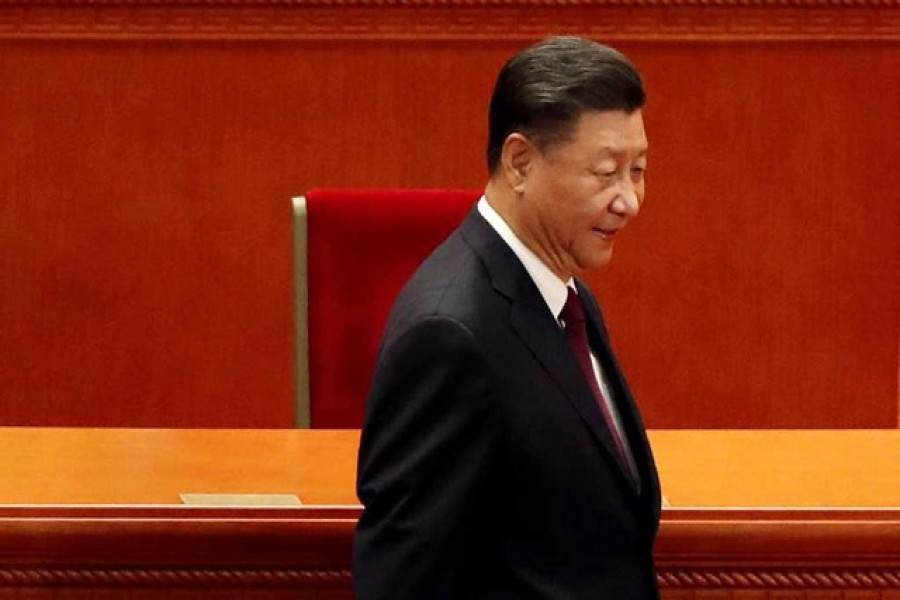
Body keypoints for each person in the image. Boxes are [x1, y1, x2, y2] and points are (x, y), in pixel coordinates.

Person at [353, 36, 661, 600]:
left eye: (637, 170)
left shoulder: (566, 295)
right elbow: (403, 583)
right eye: (605, 172)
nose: (629, 200)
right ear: (520, 162)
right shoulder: (449, 335)